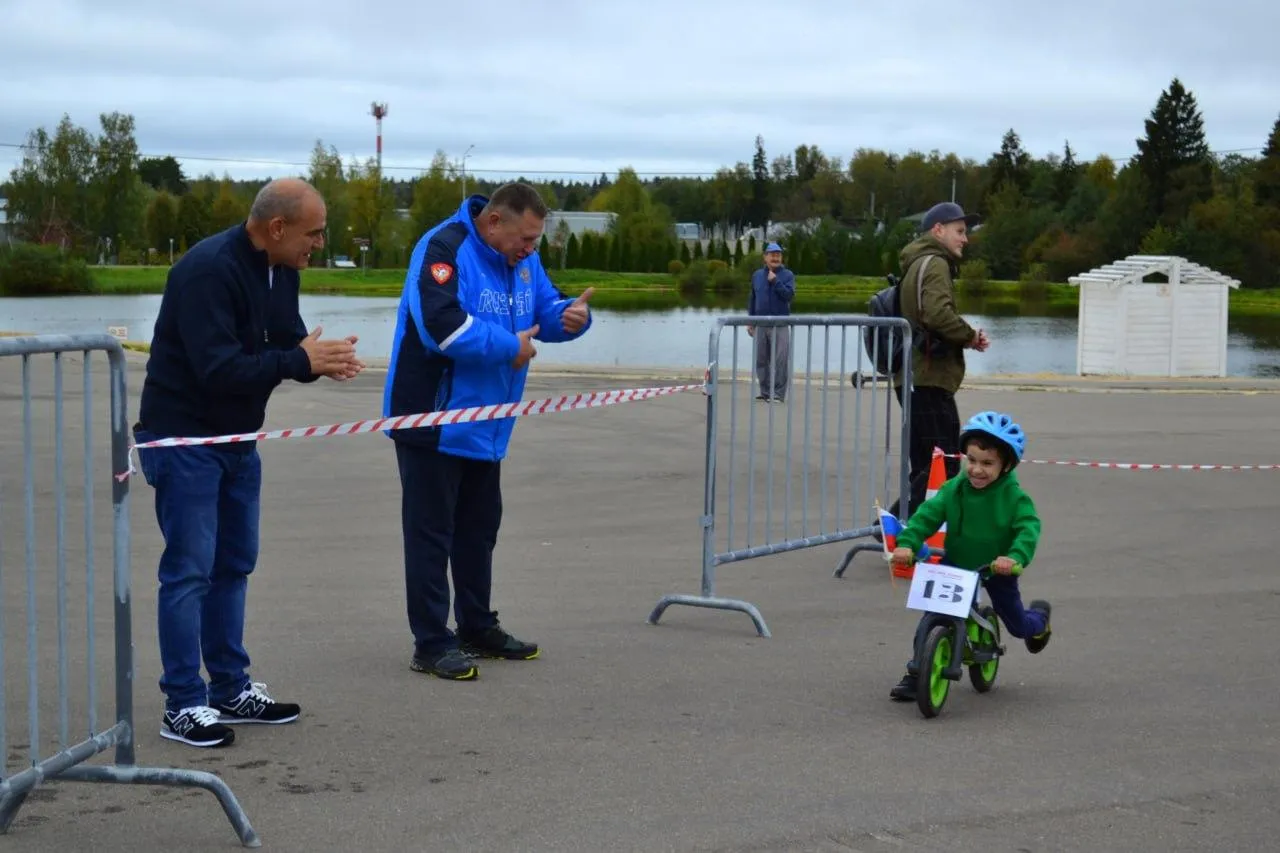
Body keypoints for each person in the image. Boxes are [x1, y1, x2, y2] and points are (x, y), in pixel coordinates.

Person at [133, 178, 365, 748]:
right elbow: (220, 369)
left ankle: (229, 688)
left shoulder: (281, 269)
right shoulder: (208, 271)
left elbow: (285, 343)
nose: (320, 243)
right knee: (189, 572)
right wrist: (298, 360)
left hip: (237, 441)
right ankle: (182, 704)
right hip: (183, 442)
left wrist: (321, 362)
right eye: (314, 233)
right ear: (277, 227)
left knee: (234, 565)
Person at [384, 182, 594, 681]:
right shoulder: (443, 247)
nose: (531, 249)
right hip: (434, 420)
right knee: (431, 536)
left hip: (488, 424)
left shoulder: (522, 260)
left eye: (536, 240)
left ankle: (477, 627)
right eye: (526, 239)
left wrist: (572, 318)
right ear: (494, 221)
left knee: (479, 532)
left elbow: (545, 310)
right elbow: (441, 327)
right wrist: (508, 347)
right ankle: (431, 643)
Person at [886, 410, 1053, 702]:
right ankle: (917, 672)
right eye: (972, 460)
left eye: (987, 463)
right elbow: (927, 516)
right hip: (956, 564)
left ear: (1006, 465)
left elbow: (1028, 529)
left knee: (1017, 625)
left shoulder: (1014, 498)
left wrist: (1015, 557)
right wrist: (908, 543)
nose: (976, 470)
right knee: (932, 616)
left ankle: (1039, 620)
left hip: (996, 568)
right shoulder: (954, 489)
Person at [886, 202, 990, 520]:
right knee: (945, 463)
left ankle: (907, 531)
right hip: (929, 378)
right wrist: (970, 336)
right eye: (960, 231)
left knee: (925, 464)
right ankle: (889, 525)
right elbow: (936, 313)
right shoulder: (935, 263)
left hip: (913, 377)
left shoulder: (916, 262)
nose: (965, 239)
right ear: (938, 230)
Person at [746, 241, 796, 403]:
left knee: (780, 360)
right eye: (772, 255)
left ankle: (778, 394)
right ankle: (765, 392)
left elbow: (789, 295)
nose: (776, 258)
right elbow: (753, 299)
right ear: (765, 257)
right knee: (761, 360)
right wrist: (750, 321)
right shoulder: (757, 275)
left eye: (778, 255)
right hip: (760, 323)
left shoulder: (787, 275)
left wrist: (776, 282)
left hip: (780, 324)